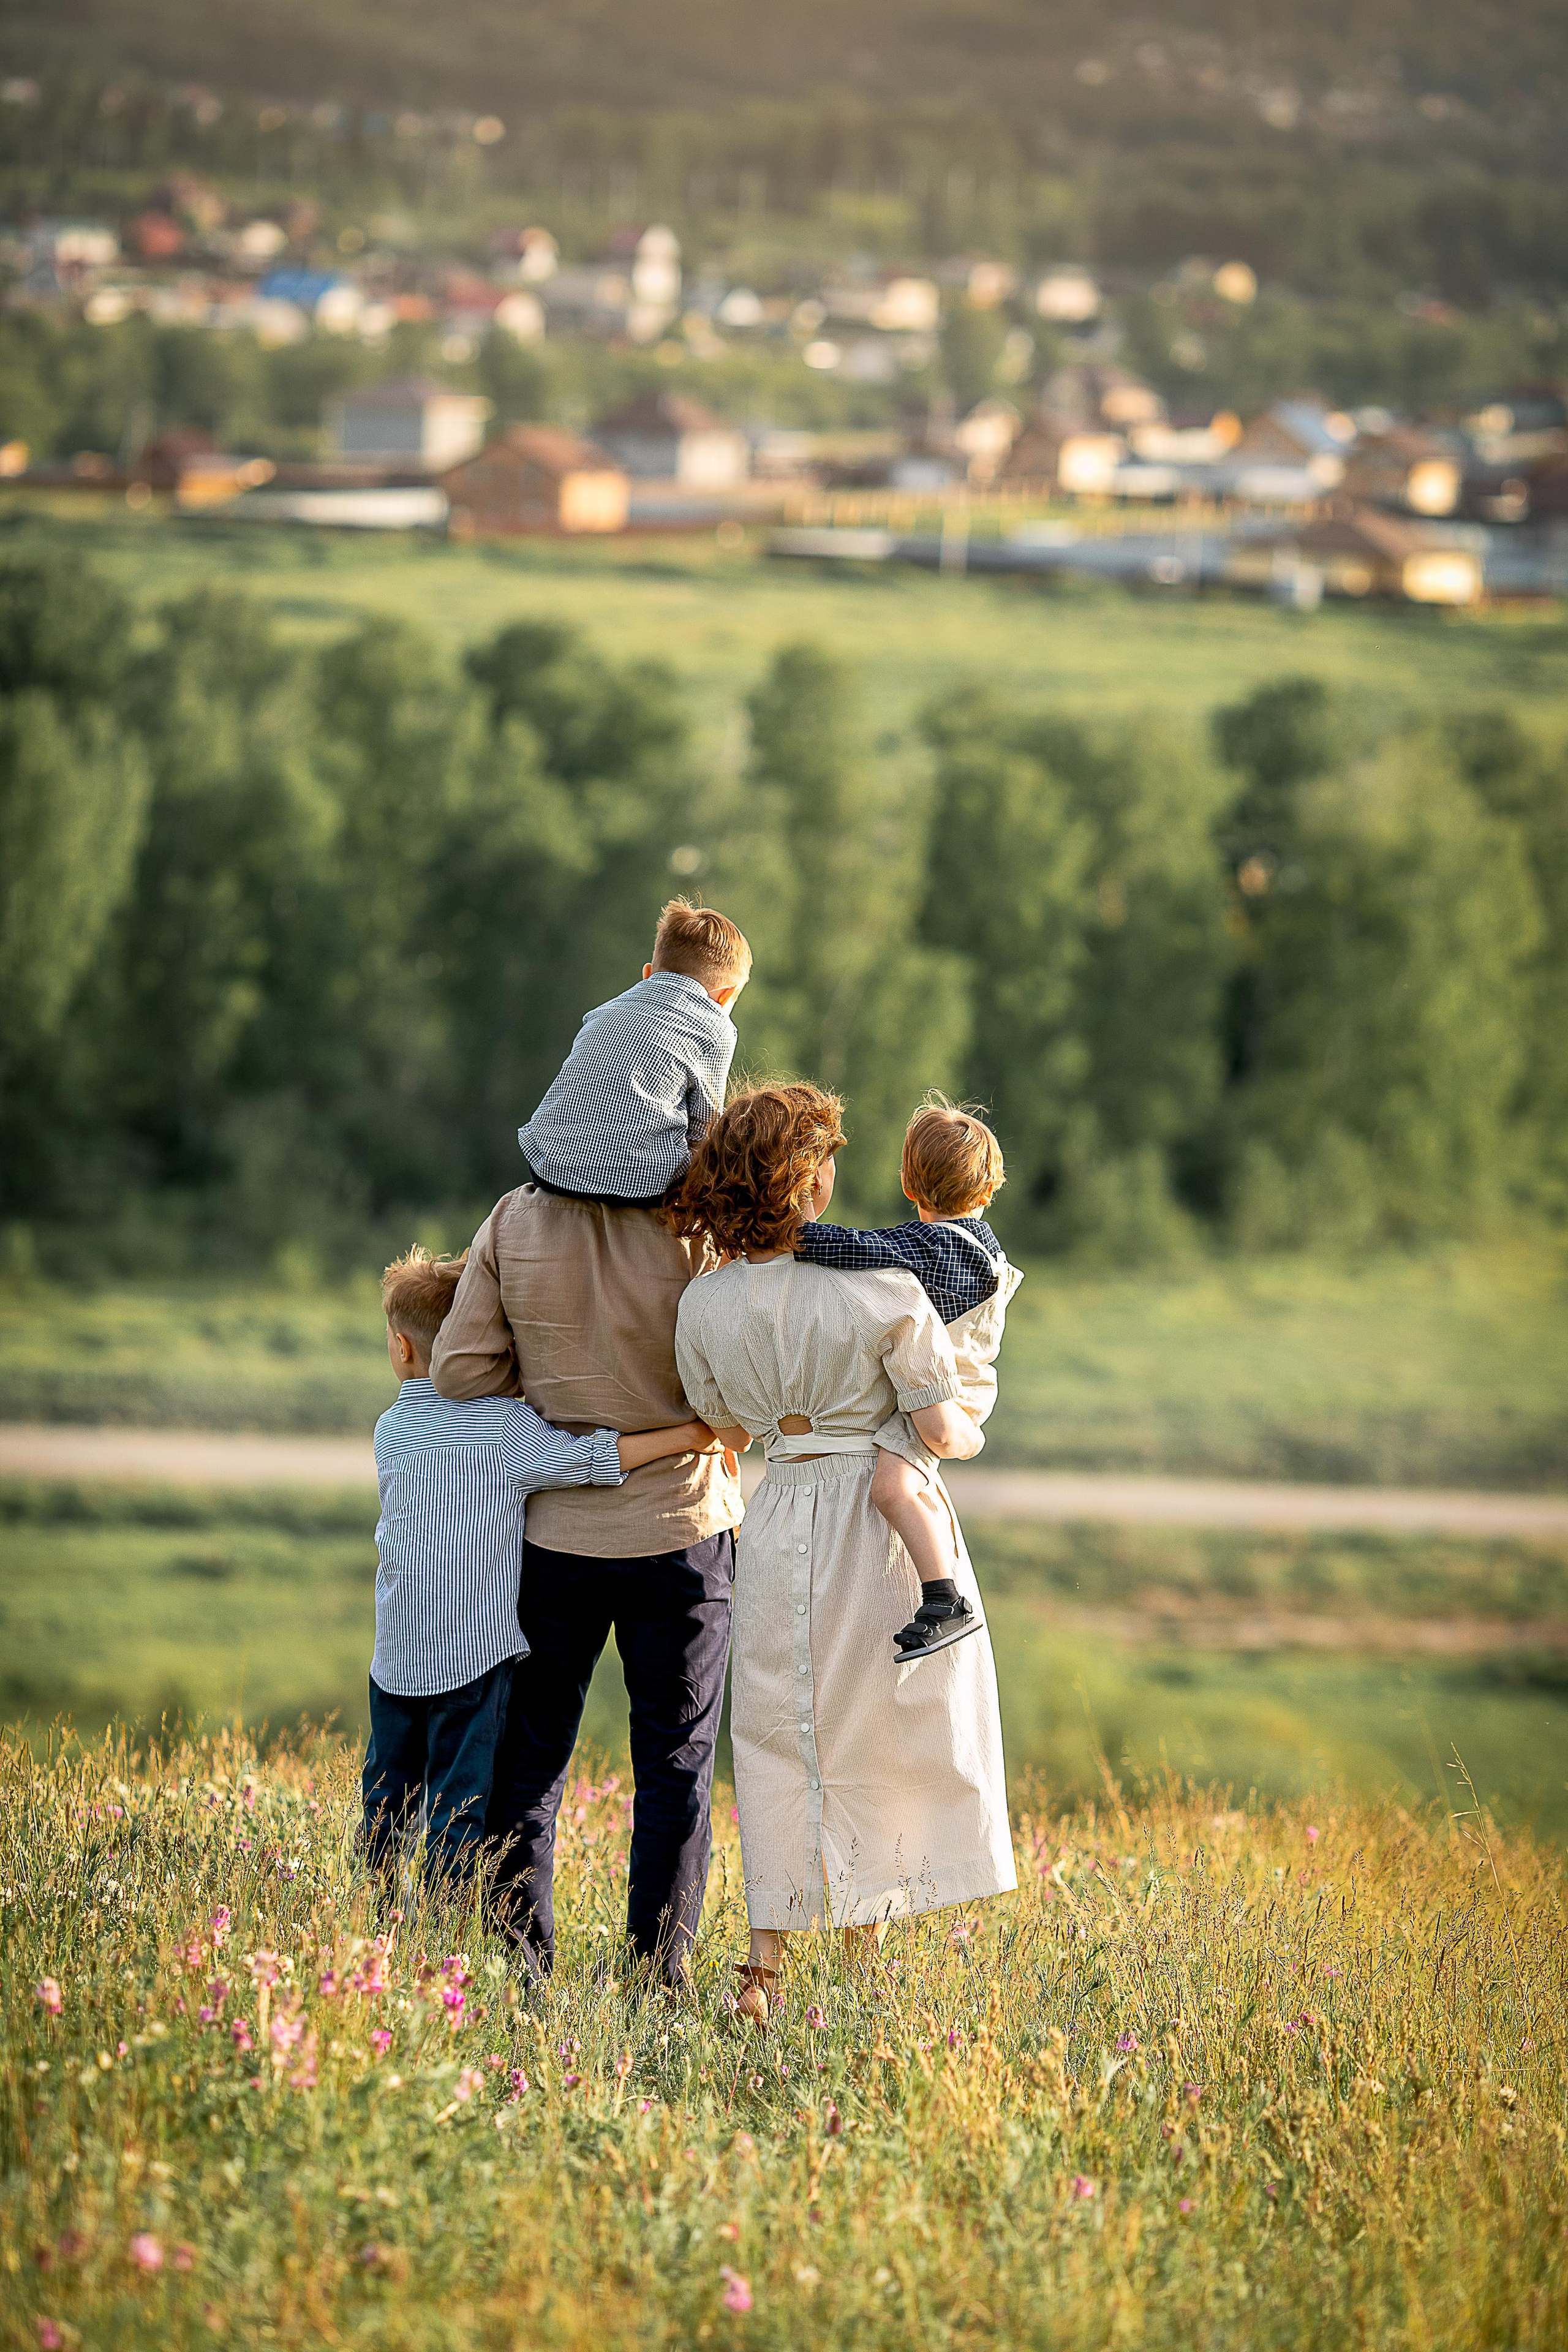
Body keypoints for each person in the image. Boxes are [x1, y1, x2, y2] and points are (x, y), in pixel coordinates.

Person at [431, 905, 752, 1989]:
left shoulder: (515, 1219)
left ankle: (520, 1972)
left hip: (556, 1538)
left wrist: (560, 1405)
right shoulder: (703, 1231)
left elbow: (461, 1375)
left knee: (533, 1762)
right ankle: (656, 1979)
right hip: (684, 1532)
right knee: (675, 1765)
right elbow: (741, 1387)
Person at [667, 1084, 1016, 2027]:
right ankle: (869, 1951)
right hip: (874, 1521)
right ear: (812, 1183)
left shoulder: (702, 1304)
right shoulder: (885, 1288)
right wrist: (971, 1432)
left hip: (775, 1517)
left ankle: (763, 1969)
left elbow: (730, 1427)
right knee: (879, 1726)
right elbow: (939, 1430)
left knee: (783, 1731)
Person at [363, 1246, 715, 1893]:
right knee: (458, 1811)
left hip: (394, 1659)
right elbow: (592, 1458)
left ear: (401, 1348)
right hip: (474, 1661)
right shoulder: (503, 1428)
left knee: (386, 1806)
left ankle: (375, 1923)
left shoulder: (393, 1427)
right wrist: (689, 1436)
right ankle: (445, 1939)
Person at [794, 1098, 1021, 1661]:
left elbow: (866, 1251)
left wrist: (796, 1237)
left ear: (908, 1181)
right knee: (915, 1487)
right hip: (952, 1389)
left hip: (948, 1396)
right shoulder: (976, 1244)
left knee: (891, 1488)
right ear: (989, 1187)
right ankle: (945, 1581)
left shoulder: (941, 1250)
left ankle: (945, 1599)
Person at [518, 899, 750, 1202]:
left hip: (547, 1163)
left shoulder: (604, 1010)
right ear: (726, 996)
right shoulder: (716, 1026)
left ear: (649, 973)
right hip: (638, 1182)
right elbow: (705, 1126)